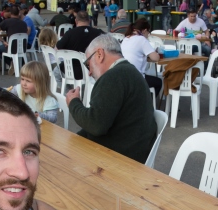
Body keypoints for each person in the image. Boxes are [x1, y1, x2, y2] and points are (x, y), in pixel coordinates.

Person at [66, 35, 157, 163]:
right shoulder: (130, 71)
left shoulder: (113, 77)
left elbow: (95, 125)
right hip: (133, 151)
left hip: (119, 160)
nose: (89, 72)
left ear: (99, 54)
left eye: (88, 65)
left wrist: (73, 103)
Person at [121, 18, 161, 97]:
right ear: (145, 31)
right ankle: (148, 104)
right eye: (148, 33)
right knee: (159, 82)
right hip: (136, 77)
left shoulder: (126, 38)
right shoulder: (141, 39)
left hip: (123, 76)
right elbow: (156, 58)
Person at [57, 11, 103, 79]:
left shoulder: (70, 33)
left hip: (72, 70)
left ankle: (71, 89)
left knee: (56, 72)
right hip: (92, 70)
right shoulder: (98, 33)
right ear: (89, 21)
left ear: (76, 21)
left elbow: (57, 49)